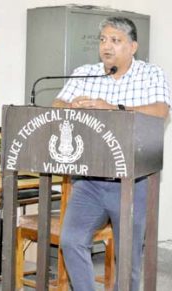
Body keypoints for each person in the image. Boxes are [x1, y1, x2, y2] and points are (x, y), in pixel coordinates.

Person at [53, 17, 170, 291]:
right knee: (71, 241)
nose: (107, 46)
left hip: (132, 181)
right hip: (89, 180)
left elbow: (160, 111)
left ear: (133, 46)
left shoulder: (150, 74)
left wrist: (113, 108)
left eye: (115, 40)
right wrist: (70, 106)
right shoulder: (86, 72)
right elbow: (57, 103)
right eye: (103, 40)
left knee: (128, 258)